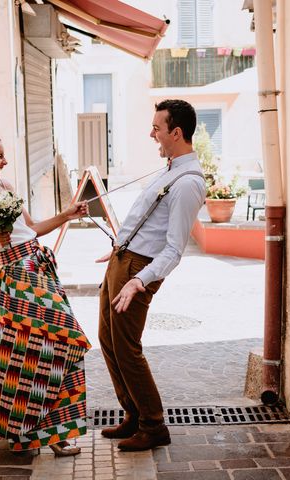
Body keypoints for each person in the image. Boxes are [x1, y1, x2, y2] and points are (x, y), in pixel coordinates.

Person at [0, 130, 91, 457]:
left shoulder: (7, 188)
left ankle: (54, 433)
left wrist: (67, 215)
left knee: (61, 346)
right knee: (22, 361)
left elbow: (33, 229)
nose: (5, 162)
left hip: (40, 273)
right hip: (13, 282)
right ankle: (24, 435)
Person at [96, 100, 206, 451]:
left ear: (176, 132)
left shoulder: (188, 183)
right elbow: (146, 221)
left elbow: (174, 249)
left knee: (127, 349)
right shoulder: (170, 170)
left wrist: (139, 278)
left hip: (137, 270)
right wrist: (118, 248)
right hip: (121, 260)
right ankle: (134, 414)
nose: (151, 133)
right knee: (109, 341)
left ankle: (154, 425)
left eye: (157, 128)